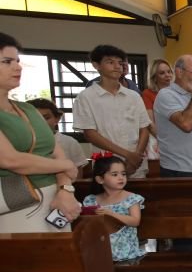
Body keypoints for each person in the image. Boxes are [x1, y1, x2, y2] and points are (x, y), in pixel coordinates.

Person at [0, 33, 80, 233]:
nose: (17, 67)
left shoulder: (28, 109)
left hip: (56, 200)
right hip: (14, 200)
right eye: (7, 61)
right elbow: (10, 160)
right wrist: (65, 165)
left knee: (61, 260)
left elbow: (55, 150)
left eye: (17, 61)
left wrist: (65, 189)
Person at [154, 54, 192, 251]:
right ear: (178, 72)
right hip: (178, 170)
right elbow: (186, 124)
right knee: (184, 226)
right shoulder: (167, 95)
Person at [74, 44, 151, 177]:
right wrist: (127, 155)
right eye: (110, 62)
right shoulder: (86, 97)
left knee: (138, 197)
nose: (117, 66)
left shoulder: (133, 96)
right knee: (108, 196)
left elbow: (144, 128)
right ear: (96, 65)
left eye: (120, 63)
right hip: (106, 164)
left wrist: (136, 156)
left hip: (136, 164)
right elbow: (90, 134)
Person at [82, 154, 144, 262]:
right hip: (98, 245)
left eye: (123, 174)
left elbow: (135, 221)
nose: (121, 178)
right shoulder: (91, 200)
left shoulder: (131, 198)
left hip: (125, 249)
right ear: (100, 179)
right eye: (114, 174)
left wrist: (111, 214)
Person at [27, 97, 85, 167]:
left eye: (46, 118)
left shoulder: (70, 143)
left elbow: (78, 174)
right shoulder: (19, 143)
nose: (41, 122)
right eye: (34, 118)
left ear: (57, 119)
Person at [142, 59, 174, 161]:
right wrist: (165, 141)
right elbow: (150, 123)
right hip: (157, 139)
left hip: (178, 139)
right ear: (154, 77)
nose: (167, 75)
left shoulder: (177, 92)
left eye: (169, 72)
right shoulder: (148, 94)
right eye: (162, 73)